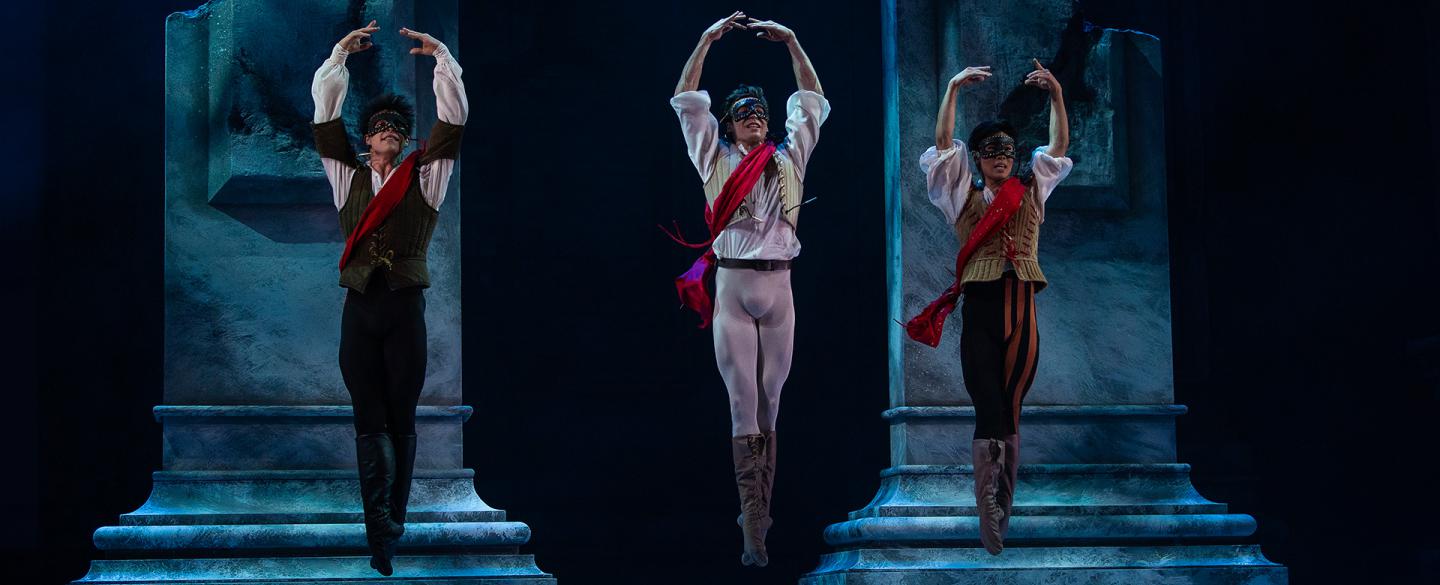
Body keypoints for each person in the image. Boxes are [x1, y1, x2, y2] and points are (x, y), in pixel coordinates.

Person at [665, 11, 830, 568]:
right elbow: (687, 97)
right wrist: (706, 38)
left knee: (772, 404)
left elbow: (811, 99)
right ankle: (752, 527)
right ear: (731, 126)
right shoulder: (714, 158)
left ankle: (761, 510)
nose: (755, 117)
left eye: (760, 111)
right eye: (744, 114)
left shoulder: (788, 158)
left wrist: (793, 41)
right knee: (742, 405)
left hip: (779, 287)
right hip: (734, 286)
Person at [309, 19, 468, 576]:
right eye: (381, 126)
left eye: (399, 127)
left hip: (405, 310)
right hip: (361, 310)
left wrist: (442, 58)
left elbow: (454, 122)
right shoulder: (345, 177)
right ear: (368, 137)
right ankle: (379, 528)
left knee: (400, 419)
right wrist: (339, 56)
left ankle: (388, 529)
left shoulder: (425, 178)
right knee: (367, 419)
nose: (390, 131)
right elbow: (324, 118)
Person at [906, 60, 1072, 555]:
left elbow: (1059, 149)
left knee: (1013, 411)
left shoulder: (1032, 190)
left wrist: (1058, 96)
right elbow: (941, 145)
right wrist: (952, 87)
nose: (1001, 157)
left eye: (1007, 150)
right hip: (980, 306)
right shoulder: (961, 195)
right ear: (977, 158)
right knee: (988, 407)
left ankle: (1005, 505)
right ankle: (989, 511)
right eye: (991, 150)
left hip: (1022, 305)